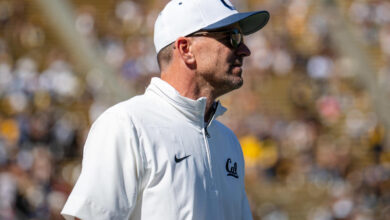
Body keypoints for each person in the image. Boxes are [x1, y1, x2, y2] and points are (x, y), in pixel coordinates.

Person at [61, 0, 269, 219]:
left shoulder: (228, 141)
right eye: (232, 37)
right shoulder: (127, 124)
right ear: (186, 49)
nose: (245, 50)